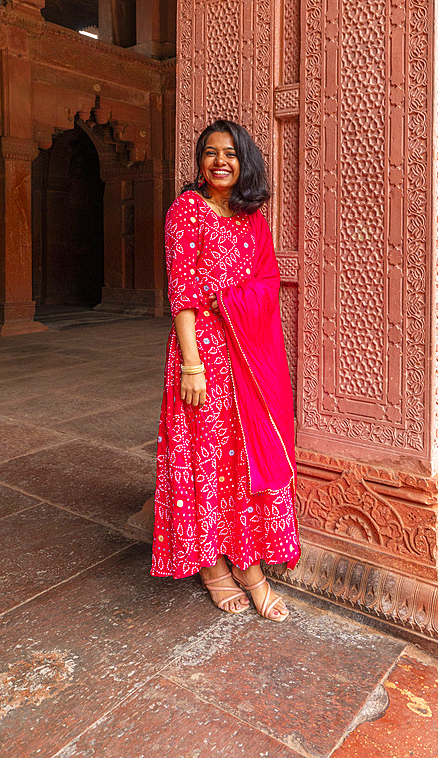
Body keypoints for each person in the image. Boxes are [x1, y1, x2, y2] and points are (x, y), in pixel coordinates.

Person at [151, 119, 299, 622]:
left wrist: (235, 302)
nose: (221, 162)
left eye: (231, 154)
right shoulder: (186, 213)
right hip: (204, 355)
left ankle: (249, 563)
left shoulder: (250, 216)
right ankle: (213, 566)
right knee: (203, 460)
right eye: (211, 153)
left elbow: (268, 279)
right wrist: (192, 365)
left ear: (244, 163)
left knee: (240, 463)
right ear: (199, 161)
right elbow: (183, 295)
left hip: (247, 357)